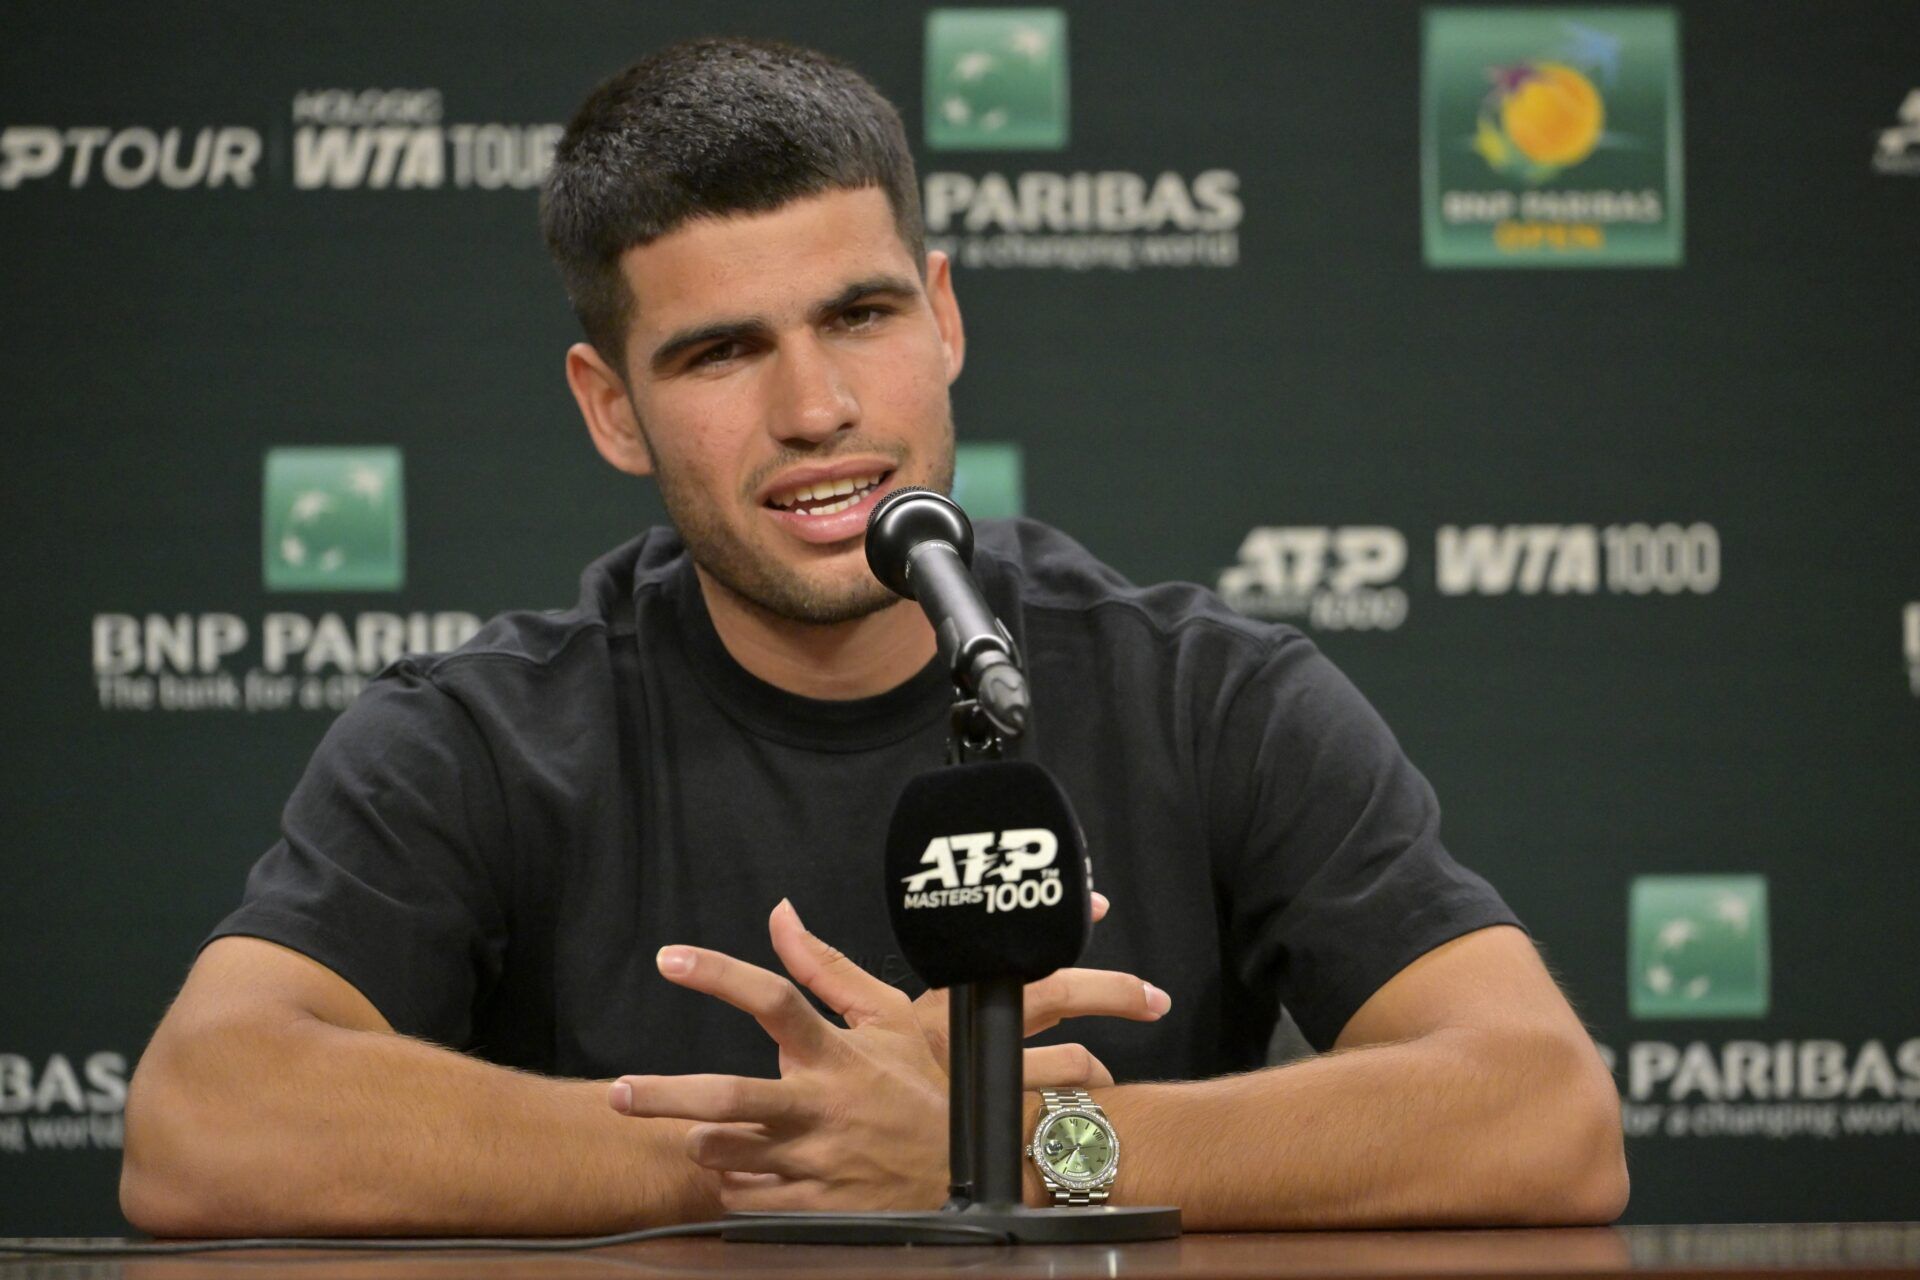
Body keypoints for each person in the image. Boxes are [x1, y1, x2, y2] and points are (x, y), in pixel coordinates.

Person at [119, 38, 1626, 1236]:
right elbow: (205, 1121)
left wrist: (1002, 1153)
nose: (817, 408)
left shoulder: (1204, 692)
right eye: (720, 351)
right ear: (607, 406)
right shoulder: (484, 731)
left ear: (947, 318)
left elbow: (1543, 1113)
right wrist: (785, 1159)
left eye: (861, 316)